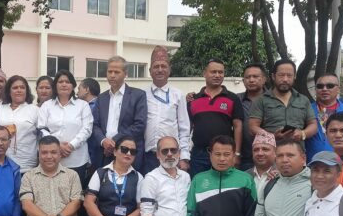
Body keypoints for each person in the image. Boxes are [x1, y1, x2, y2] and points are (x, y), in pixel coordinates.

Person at [37, 70, 94, 216]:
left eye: (67, 81)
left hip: (76, 158)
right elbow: (41, 128)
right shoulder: (47, 106)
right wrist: (57, 145)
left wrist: (71, 145)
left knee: (77, 196)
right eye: (60, 81)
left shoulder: (82, 106)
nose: (64, 84)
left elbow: (87, 128)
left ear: (73, 85)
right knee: (55, 195)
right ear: (55, 85)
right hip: (52, 159)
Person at [187, 59, 243, 175]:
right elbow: (187, 128)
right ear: (204, 73)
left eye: (220, 72)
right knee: (199, 184)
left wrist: (236, 153)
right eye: (213, 72)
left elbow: (238, 126)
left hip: (224, 153)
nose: (217, 75)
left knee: (224, 184)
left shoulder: (232, 98)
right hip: (199, 154)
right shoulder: (193, 100)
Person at [92, 55, 147, 171]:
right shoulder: (101, 98)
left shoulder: (138, 95)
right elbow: (95, 125)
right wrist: (103, 141)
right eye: (109, 71)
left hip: (128, 153)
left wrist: (114, 141)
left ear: (125, 74)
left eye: (116, 72)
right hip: (104, 153)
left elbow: (139, 124)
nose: (112, 75)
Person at [142, 46, 190, 175]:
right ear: (150, 71)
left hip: (171, 155)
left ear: (169, 70)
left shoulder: (178, 95)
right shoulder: (142, 94)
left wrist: (184, 157)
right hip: (148, 157)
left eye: (163, 66)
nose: (160, 70)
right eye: (156, 67)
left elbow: (184, 128)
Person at [248, 58, 317, 142]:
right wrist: (272, 137)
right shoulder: (261, 100)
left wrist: (303, 133)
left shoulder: (303, 100)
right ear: (273, 76)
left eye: (289, 75)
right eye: (281, 75)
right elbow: (252, 127)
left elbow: (313, 125)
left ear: (294, 76)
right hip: (271, 149)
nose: (285, 79)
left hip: (297, 149)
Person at [0, 75, 39, 172]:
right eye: (15, 88)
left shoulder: (35, 110)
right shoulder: (0, 110)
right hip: (0, 163)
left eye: (22, 87)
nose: (19, 90)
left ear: (27, 91)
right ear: (9, 91)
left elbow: (43, 135)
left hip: (26, 166)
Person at [305, 73, 343, 159]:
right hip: (314, 163)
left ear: (338, 89)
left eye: (330, 86)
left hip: (342, 162)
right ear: (315, 89)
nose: (324, 89)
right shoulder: (307, 110)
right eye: (320, 86)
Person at [237, 63, 268, 170]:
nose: (251, 80)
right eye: (248, 77)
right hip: (243, 157)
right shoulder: (236, 99)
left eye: (255, 76)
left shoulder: (273, 99)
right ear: (243, 80)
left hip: (269, 157)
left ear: (264, 79)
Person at [77, 77, 102, 172]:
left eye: (79, 88)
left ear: (87, 90)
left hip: (94, 152)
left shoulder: (93, 107)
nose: (77, 92)